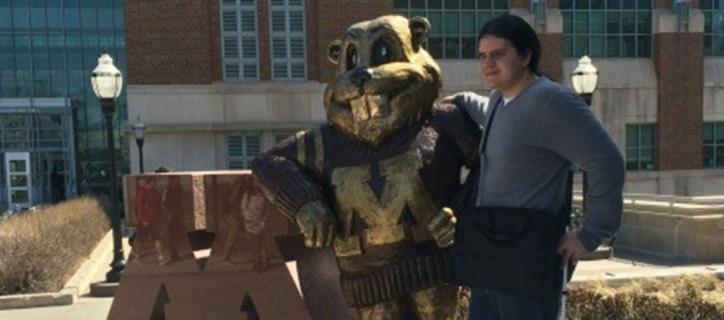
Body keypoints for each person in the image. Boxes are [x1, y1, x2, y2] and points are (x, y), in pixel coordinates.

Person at [446, 14, 625, 319]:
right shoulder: (499, 101)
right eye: (482, 56)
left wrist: (590, 233)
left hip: (527, 261)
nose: (488, 64)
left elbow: (607, 162)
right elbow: (487, 112)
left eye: (498, 55)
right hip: (490, 255)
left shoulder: (551, 100)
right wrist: (459, 100)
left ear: (526, 55)